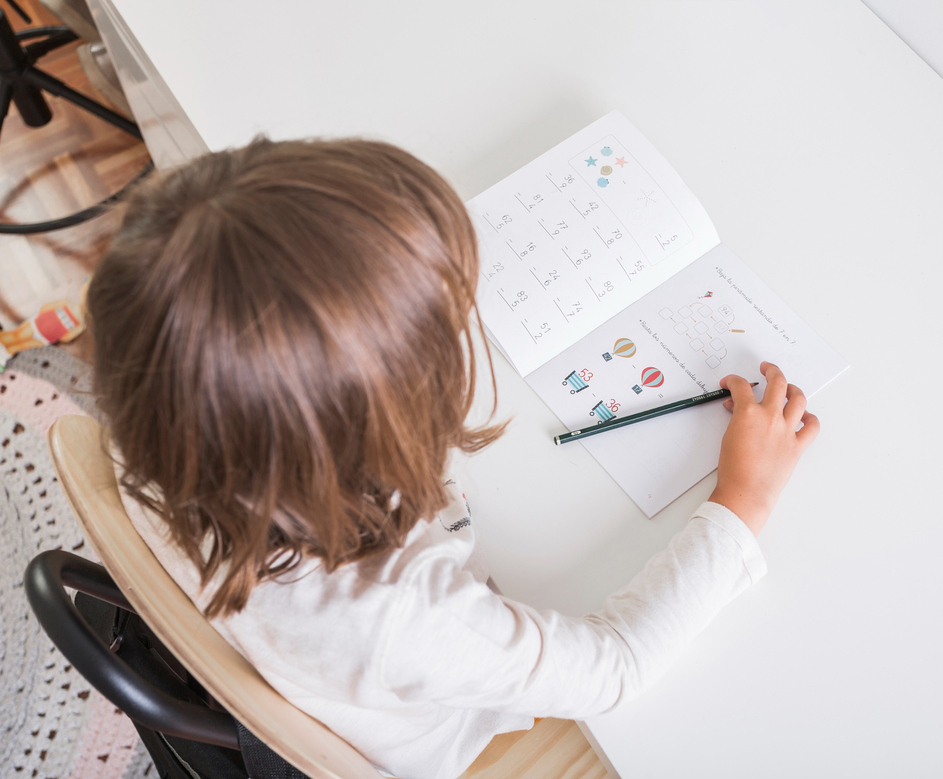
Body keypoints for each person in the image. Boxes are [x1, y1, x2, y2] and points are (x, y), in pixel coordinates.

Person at [86, 137, 820, 779]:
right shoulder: (400, 615)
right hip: (447, 737)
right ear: (373, 421)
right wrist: (743, 500)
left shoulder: (160, 407)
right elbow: (617, 666)